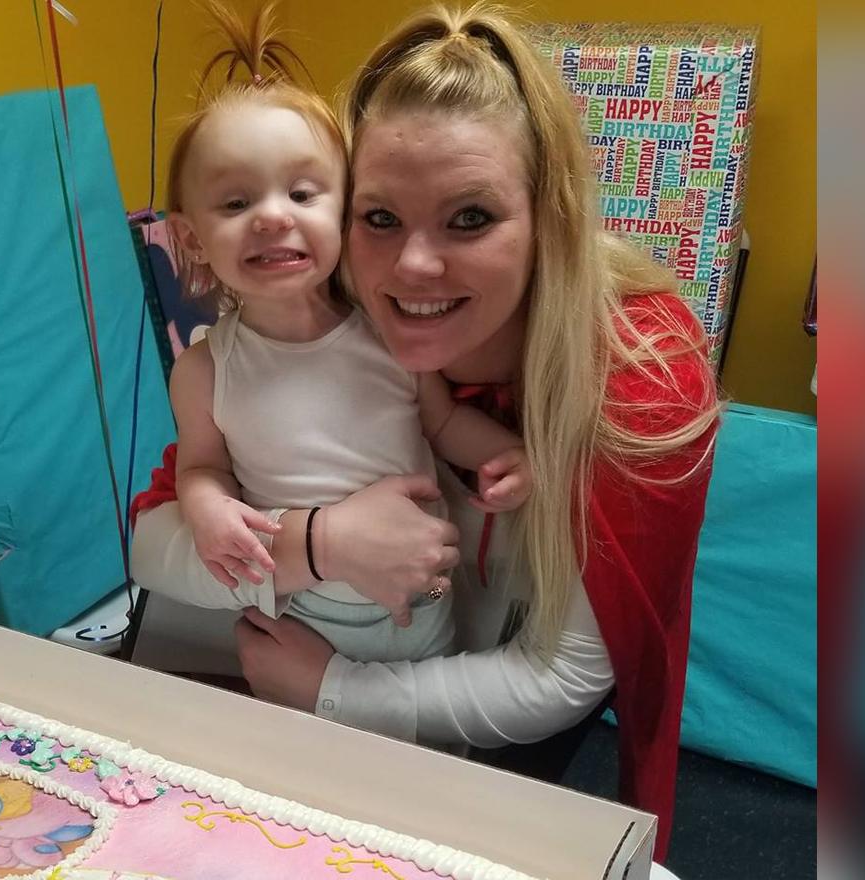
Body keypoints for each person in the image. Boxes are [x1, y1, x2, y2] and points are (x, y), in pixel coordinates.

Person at [131, 2, 719, 861]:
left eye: (470, 217)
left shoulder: (639, 377)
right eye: (379, 218)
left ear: (549, 215)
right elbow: (155, 543)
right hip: (301, 685)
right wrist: (320, 545)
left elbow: (563, 674)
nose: (412, 268)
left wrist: (334, 689)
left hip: (475, 731)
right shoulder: (315, 325)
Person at [160, 0, 532, 665]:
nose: (273, 218)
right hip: (304, 614)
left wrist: (509, 454)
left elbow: (442, 425)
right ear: (191, 237)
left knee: (418, 751)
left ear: (348, 209)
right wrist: (207, 511)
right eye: (237, 202)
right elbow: (203, 468)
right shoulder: (203, 370)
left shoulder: (390, 333)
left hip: (422, 604)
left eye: (302, 194)